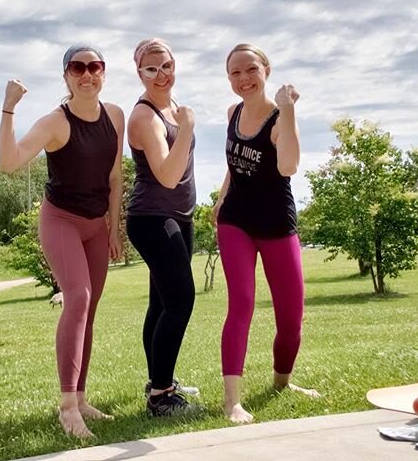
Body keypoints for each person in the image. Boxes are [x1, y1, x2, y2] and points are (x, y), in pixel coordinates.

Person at [0, 44, 125, 438]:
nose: (87, 74)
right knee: (79, 298)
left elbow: (115, 176)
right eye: (77, 67)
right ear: (66, 76)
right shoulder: (56, 122)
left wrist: (115, 227)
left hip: (96, 226)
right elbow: (9, 163)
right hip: (61, 221)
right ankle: (68, 407)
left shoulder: (115, 116)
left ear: (103, 72)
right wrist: (8, 109)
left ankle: (82, 397)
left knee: (90, 308)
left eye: (94, 66)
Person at [212, 43, 319, 424]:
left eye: (250, 69)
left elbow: (288, 166)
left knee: (291, 319)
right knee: (241, 304)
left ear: (266, 70)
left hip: (277, 226)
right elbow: (233, 164)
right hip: (236, 222)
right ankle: (232, 401)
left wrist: (288, 108)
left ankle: (282, 382)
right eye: (235, 73)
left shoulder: (279, 119)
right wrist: (222, 200)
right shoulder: (232, 113)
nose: (243, 79)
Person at [126, 37, 199, 417]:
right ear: (139, 73)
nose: (161, 75)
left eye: (166, 65)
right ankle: (161, 396)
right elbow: (169, 176)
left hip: (179, 218)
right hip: (153, 219)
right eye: (151, 69)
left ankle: (160, 379)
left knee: (160, 304)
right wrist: (186, 128)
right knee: (181, 300)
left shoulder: (170, 108)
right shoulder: (144, 117)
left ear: (175, 64)